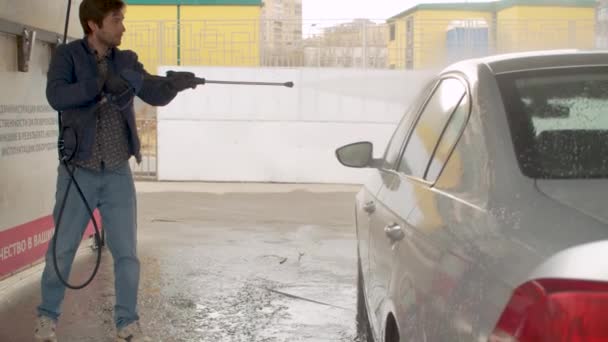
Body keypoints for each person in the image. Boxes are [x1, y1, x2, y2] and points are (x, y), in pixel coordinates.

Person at [34, 0, 198, 341]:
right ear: (94, 25)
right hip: (78, 171)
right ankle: (47, 317)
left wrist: (173, 85)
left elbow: (151, 89)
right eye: (116, 19)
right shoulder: (68, 56)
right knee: (62, 250)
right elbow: (56, 95)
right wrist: (97, 85)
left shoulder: (126, 60)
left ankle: (127, 323)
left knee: (127, 253)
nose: (123, 26)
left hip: (118, 173)